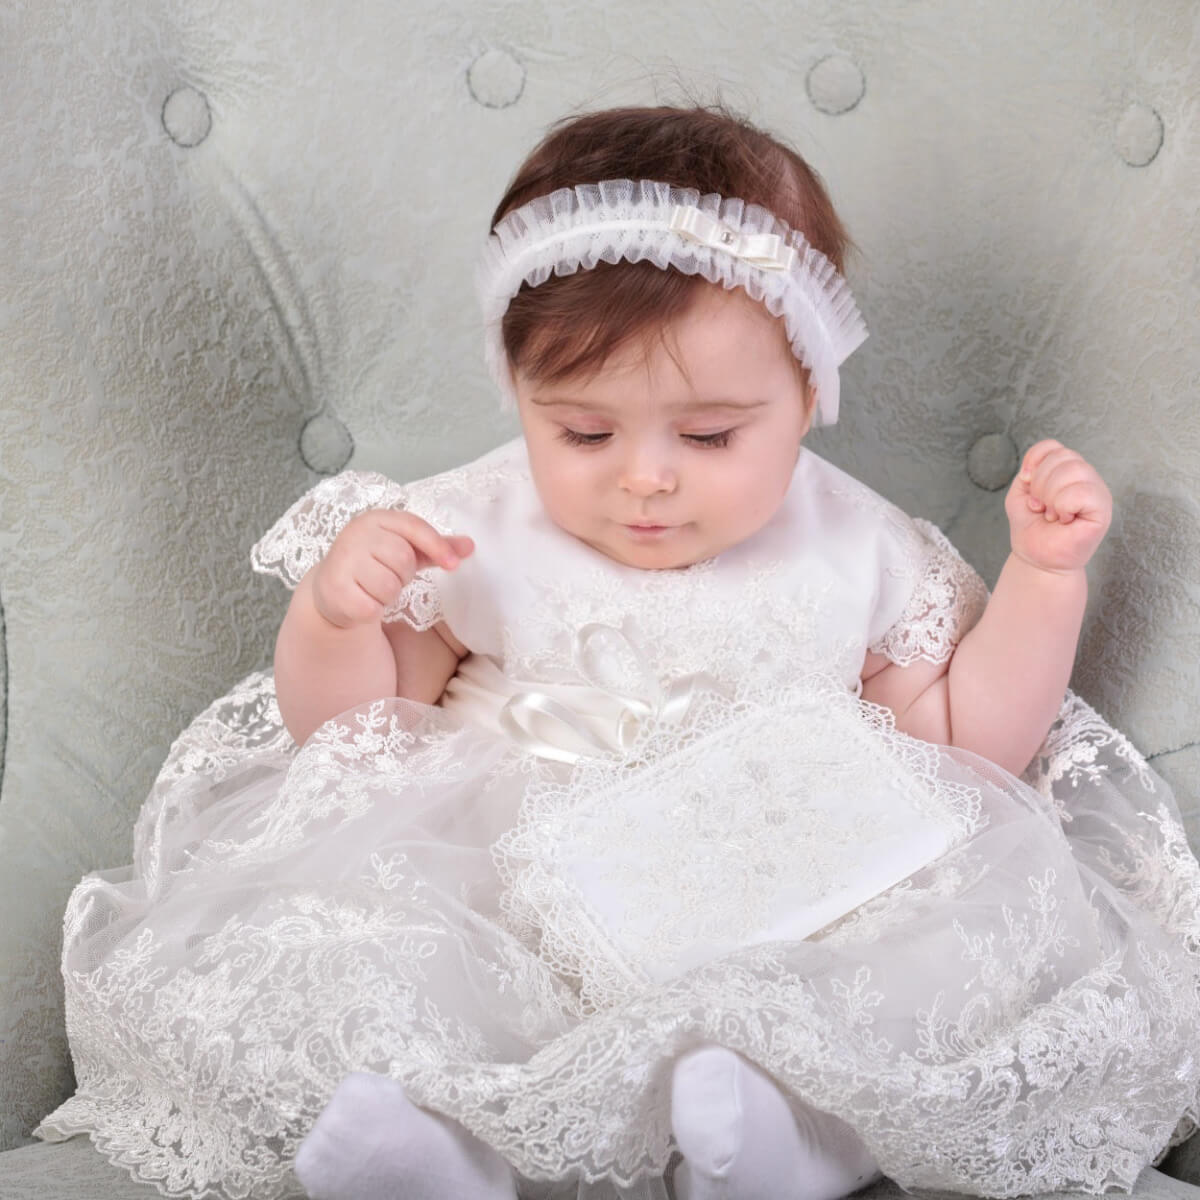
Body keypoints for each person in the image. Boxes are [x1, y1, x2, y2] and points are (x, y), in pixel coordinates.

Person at [36, 105, 1200, 1200]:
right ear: (521, 394)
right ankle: (443, 1149)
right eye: (583, 430)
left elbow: (965, 747)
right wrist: (336, 621)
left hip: (786, 867)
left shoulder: (863, 550)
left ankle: (794, 1135)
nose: (645, 475)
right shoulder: (465, 529)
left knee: (912, 965)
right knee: (398, 963)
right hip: (517, 866)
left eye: (710, 435)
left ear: (807, 394)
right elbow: (351, 744)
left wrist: (1045, 581)